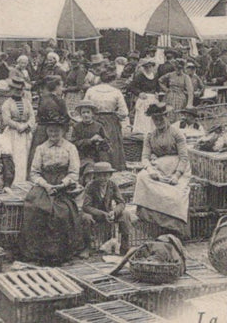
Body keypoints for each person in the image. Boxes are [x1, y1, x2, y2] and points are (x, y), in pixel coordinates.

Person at [20, 109, 84, 264]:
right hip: (44, 184)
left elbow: (74, 172)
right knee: (35, 208)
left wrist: (63, 184)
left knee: (62, 212)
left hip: (64, 185)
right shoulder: (41, 148)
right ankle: (38, 253)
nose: (53, 133)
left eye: (57, 130)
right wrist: (46, 185)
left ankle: (59, 254)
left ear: (63, 130)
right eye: (50, 130)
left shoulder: (70, 148)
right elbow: (34, 173)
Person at [132, 103, 191, 237]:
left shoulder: (177, 134)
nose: (158, 122)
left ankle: (173, 225)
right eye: (155, 119)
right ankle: (150, 215)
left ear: (167, 117)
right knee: (141, 177)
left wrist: (177, 175)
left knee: (177, 192)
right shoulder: (150, 136)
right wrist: (150, 170)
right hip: (158, 168)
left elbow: (184, 157)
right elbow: (145, 157)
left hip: (177, 168)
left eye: (160, 118)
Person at [80, 68, 129, 169]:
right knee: (110, 143)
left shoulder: (91, 90)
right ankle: (112, 167)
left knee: (95, 142)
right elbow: (124, 112)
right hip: (111, 120)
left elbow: (85, 105)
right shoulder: (116, 92)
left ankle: (93, 167)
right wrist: (116, 114)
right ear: (112, 80)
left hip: (94, 119)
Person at [81, 161, 132, 255]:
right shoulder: (90, 186)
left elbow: (121, 202)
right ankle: (87, 247)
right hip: (95, 214)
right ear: (95, 176)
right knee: (86, 218)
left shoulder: (112, 185)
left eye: (106, 175)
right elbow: (86, 206)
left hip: (109, 213)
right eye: (100, 176)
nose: (103, 178)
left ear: (110, 175)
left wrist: (114, 212)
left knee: (125, 214)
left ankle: (125, 247)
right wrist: (102, 213)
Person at [28, 75, 70, 171]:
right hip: (51, 130)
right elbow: (55, 117)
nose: (62, 89)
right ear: (56, 87)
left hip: (43, 129)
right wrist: (66, 123)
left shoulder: (45, 98)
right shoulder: (54, 100)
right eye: (61, 86)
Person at [0, 77, 35, 184]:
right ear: (11, 90)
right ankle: (12, 181)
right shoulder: (7, 103)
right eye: (16, 89)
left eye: (20, 90)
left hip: (25, 134)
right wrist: (17, 126)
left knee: (25, 156)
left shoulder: (27, 102)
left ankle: (23, 180)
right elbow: (6, 119)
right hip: (12, 133)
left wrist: (26, 125)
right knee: (13, 155)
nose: (18, 92)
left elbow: (32, 117)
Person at [70, 100, 110, 170]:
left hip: (97, 155)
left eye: (88, 112)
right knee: (89, 165)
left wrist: (100, 141)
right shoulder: (77, 126)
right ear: (80, 114)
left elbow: (107, 142)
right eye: (83, 112)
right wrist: (90, 141)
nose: (86, 115)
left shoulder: (99, 126)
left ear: (92, 114)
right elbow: (74, 143)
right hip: (82, 155)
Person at [128, 58, 162, 134]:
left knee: (152, 117)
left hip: (153, 99)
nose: (148, 69)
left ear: (152, 67)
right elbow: (131, 87)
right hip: (144, 99)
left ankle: (152, 132)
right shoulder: (140, 76)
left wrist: (157, 92)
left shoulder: (155, 76)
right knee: (143, 116)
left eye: (150, 67)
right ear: (144, 67)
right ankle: (142, 132)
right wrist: (139, 93)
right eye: (146, 67)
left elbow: (157, 86)